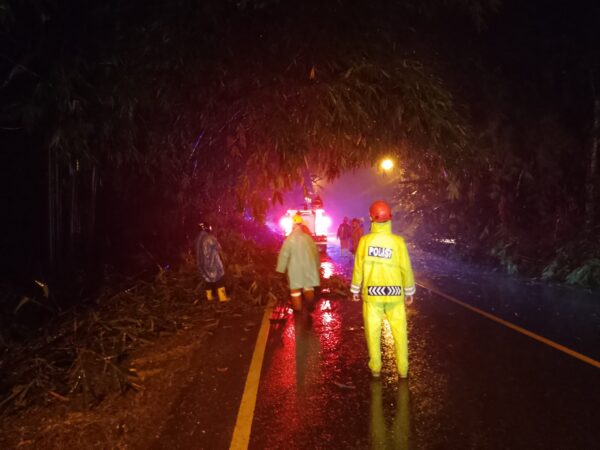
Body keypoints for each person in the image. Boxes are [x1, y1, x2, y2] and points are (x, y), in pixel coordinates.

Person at [350, 200, 416, 379]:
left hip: (372, 295)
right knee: (400, 333)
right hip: (395, 294)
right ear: (390, 218)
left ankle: (376, 369)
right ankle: (403, 370)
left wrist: (355, 290)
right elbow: (406, 268)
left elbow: (358, 268)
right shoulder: (398, 242)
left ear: (371, 217)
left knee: (373, 332)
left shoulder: (365, 242)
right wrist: (409, 291)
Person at [276, 213, 321, 313]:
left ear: (293, 225)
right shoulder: (308, 238)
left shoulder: (289, 240)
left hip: (295, 269)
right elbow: (315, 252)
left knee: (295, 290)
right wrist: (317, 265)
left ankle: (298, 312)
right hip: (309, 268)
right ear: (301, 225)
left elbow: (284, 255)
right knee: (308, 286)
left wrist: (280, 270)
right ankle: (310, 305)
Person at [196, 222, 230, 302]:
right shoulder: (209, 238)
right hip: (213, 263)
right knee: (219, 278)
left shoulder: (198, 239)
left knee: (208, 279)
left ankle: (209, 297)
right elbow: (218, 247)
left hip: (202, 264)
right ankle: (222, 297)